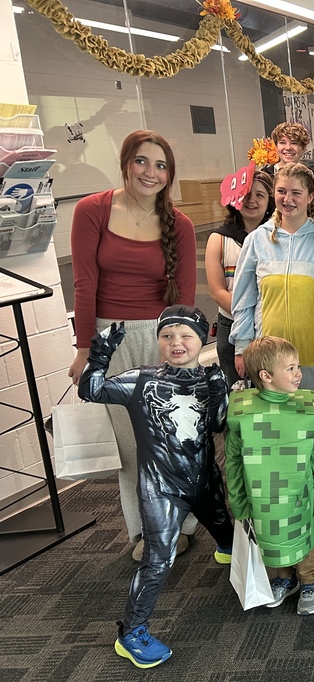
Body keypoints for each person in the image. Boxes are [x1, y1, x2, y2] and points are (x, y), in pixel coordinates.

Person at [68, 129, 200, 561]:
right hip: (109, 340)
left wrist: (183, 349)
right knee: (131, 446)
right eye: (142, 161)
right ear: (126, 163)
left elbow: (183, 293)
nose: (151, 172)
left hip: (163, 337)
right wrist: (85, 349)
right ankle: (145, 530)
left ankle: (180, 519)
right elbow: (84, 283)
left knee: (171, 437)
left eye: (161, 165)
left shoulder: (179, 224)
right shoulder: (92, 210)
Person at [79, 306, 234, 668]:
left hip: (203, 478)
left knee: (225, 528)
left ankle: (230, 552)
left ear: (203, 339)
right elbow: (92, 390)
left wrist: (218, 391)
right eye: (167, 335)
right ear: (158, 341)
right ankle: (131, 633)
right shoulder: (142, 380)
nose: (176, 342)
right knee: (158, 559)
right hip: (160, 488)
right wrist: (99, 354)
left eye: (185, 336)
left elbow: (217, 425)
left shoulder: (209, 378)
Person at [226, 336, 314, 615]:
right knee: (271, 539)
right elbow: (233, 461)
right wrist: (237, 501)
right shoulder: (241, 413)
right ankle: (286, 579)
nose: (299, 374)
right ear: (265, 376)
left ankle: (310, 582)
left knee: (304, 542)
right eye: (291, 369)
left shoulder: (310, 409)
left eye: (298, 367)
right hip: (261, 498)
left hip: (300, 495)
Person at [230, 162, 314, 395]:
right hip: (266, 360)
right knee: (271, 425)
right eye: (282, 191)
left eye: (296, 193)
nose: (288, 199)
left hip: (313, 358)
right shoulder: (256, 241)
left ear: (310, 197)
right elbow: (244, 300)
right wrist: (242, 347)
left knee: (310, 421)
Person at [205, 169, 274, 388]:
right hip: (231, 325)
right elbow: (217, 291)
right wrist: (248, 319)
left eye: (260, 195)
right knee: (237, 393)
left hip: (270, 325)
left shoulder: (277, 238)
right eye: (245, 194)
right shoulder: (219, 239)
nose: (252, 200)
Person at [264, 122, 314, 220]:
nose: (288, 147)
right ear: (276, 147)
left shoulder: (313, 176)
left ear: (303, 149)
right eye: (282, 142)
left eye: (294, 143)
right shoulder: (265, 176)